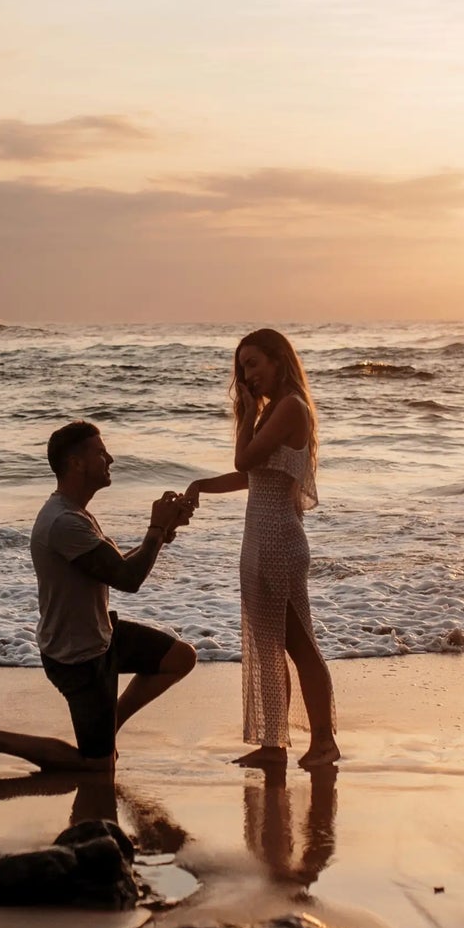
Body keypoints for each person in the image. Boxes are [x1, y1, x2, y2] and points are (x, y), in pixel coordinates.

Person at [0, 421, 197, 772]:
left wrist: (163, 533)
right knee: (97, 767)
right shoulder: (63, 522)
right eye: (101, 453)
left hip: (102, 634)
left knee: (181, 657)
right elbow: (128, 579)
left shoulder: (74, 513)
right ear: (76, 463)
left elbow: (114, 566)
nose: (111, 459)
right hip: (78, 657)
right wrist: (154, 528)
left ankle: (107, 726)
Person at [185, 329, 340, 767]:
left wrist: (247, 413)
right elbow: (252, 476)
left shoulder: (290, 407)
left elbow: (244, 461)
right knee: (271, 646)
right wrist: (200, 486)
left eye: (253, 364)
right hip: (261, 540)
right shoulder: (280, 411)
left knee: (299, 645)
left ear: (278, 360)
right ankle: (274, 745)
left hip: (278, 542)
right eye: (242, 368)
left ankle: (324, 741)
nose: (247, 375)